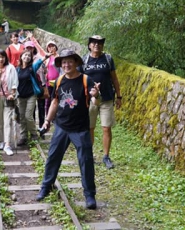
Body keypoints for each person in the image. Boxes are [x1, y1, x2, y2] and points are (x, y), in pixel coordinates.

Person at [36, 49, 100, 210]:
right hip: (62, 127)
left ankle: (89, 195)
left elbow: (94, 101)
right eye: (63, 62)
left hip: (80, 128)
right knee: (53, 157)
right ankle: (46, 186)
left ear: (76, 63)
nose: (66, 64)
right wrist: (47, 121)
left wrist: (96, 95)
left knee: (85, 161)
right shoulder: (59, 81)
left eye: (69, 61)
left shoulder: (86, 80)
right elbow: (55, 102)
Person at [80, 35, 123, 169]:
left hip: (107, 98)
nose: (97, 45)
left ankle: (106, 156)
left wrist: (119, 96)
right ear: (89, 45)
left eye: (99, 43)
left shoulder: (108, 59)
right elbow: (79, 79)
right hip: (90, 100)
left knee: (106, 127)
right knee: (90, 128)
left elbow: (114, 79)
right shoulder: (85, 60)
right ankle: (89, 155)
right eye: (94, 43)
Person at [16, 49, 44, 145]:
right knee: (22, 117)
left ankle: (33, 134)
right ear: (21, 57)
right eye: (25, 55)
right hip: (20, 96)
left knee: (28, 116)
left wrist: (47, 56)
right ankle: (23, 136)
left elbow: (40, 62)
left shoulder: (32, 67)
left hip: (31, 95)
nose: (27, 57)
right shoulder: (17, 69)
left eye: (29, 56)